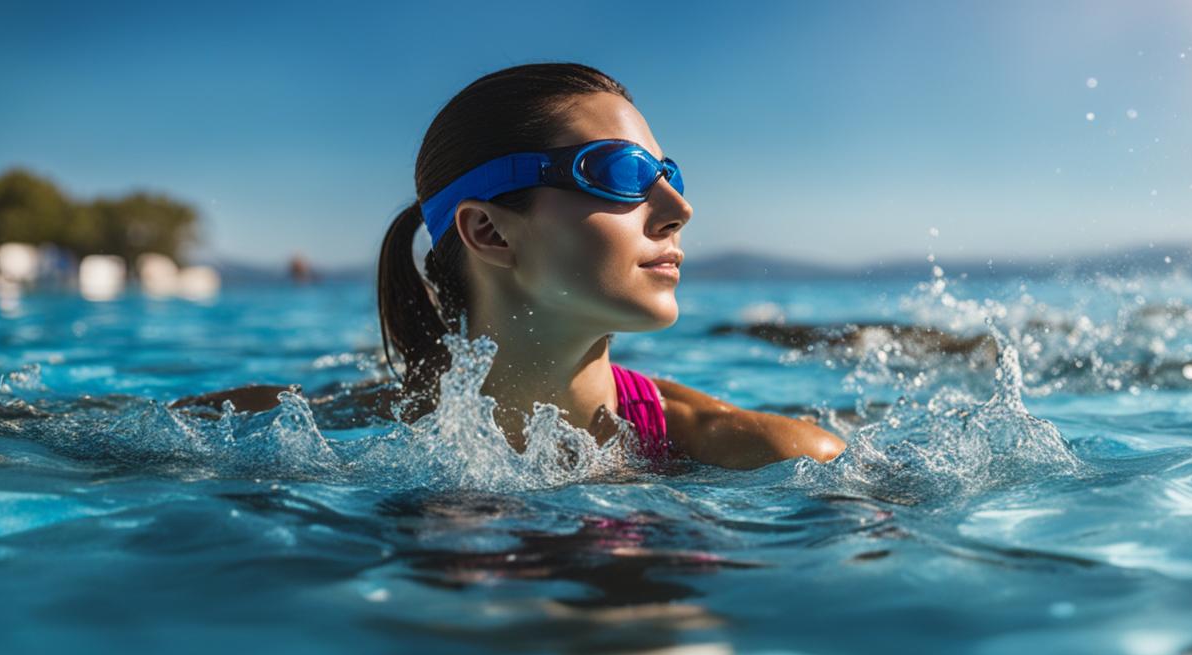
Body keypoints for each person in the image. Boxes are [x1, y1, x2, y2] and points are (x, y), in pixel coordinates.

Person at [179, 62, 845, 470]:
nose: (679, 208)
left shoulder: (771, 456)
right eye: (620, 173)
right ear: (489, 230)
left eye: (669, 174)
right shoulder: (298, 430)